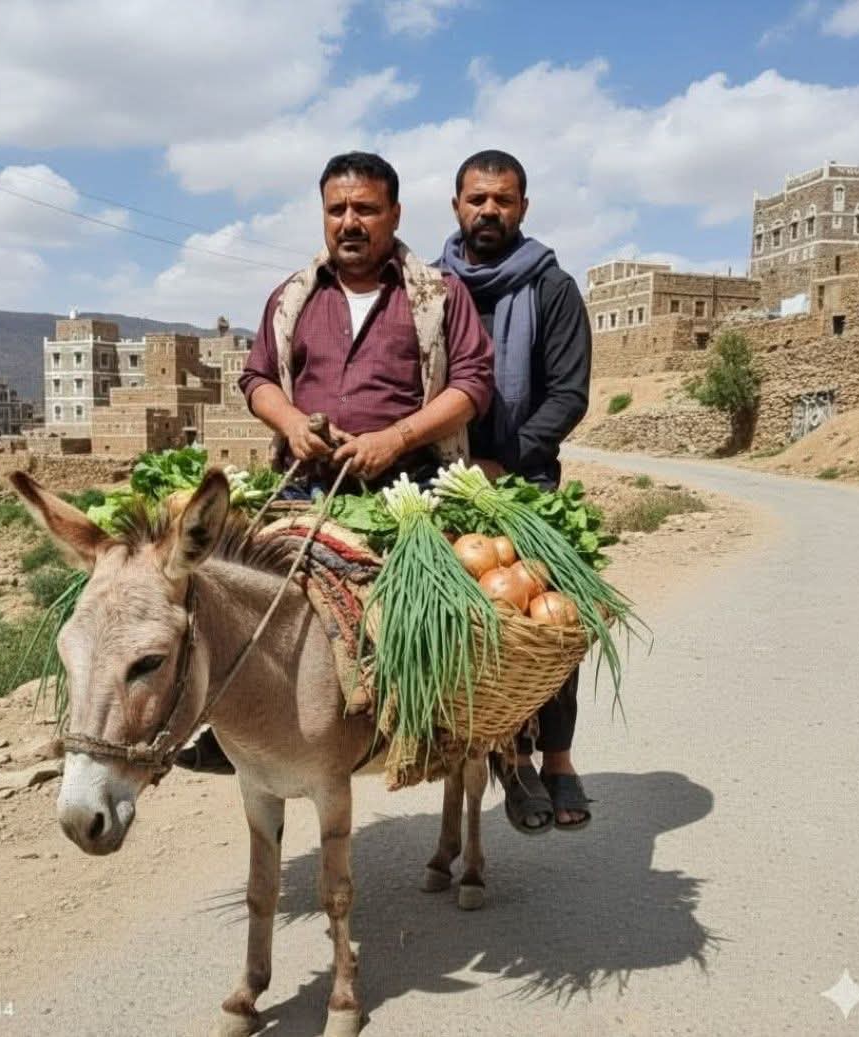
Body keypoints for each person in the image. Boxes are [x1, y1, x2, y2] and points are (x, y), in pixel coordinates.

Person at [176, 150, 494, 773]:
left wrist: (395, 438)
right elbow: (257, 379)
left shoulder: (437, 295)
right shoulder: (293, 297)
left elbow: (471, 385)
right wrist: (293, 424)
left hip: (408, 491)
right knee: (231, 594)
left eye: (365, 209)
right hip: (306, 488)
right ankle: (236, 730)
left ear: (395, 215)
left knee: (420, 609)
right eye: (336, 209)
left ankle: (426, 721)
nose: (350, 222)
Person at [440, 149, 593, 834]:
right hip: (442, 477)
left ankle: (556, 756)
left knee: (555, 611)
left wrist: (505, 461)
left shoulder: (551, 288)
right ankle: (506, 754)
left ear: (523, 208)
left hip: (524, 481)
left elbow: (568, 394)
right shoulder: (428, 288)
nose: (489, 211)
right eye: (477, 199)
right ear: (457, 206)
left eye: (502, 200)